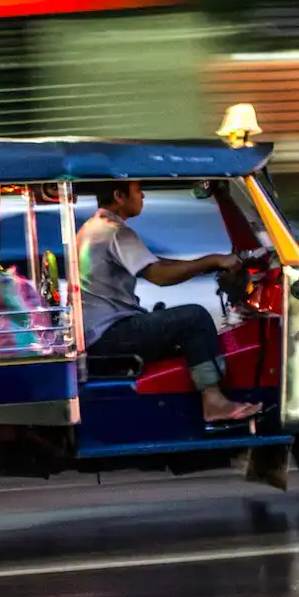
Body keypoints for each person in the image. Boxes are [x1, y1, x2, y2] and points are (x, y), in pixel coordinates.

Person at [77, 181, 261, 423]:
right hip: (111, 335)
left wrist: (210, 264)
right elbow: (159, 275)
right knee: (195, 318)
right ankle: (214, 401)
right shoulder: (115, 231)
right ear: (119, 196)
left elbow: (155, 262)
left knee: (178, 328)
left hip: (98, 333)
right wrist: (211, 260)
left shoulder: (95, 228)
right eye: (137, 190)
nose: (142, 195)